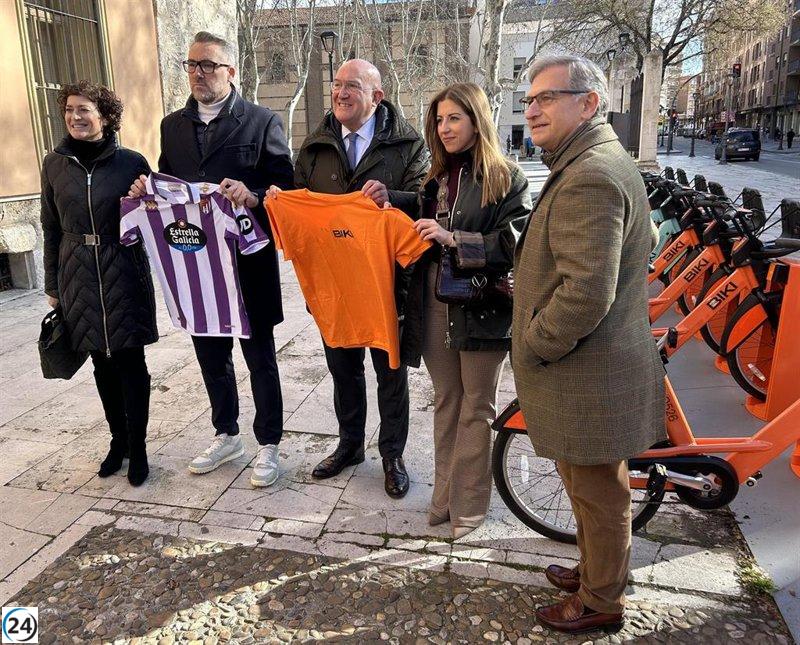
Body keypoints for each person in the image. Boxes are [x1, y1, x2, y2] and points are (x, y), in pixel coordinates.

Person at [512, 55, 665, 633]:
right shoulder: (593, 160)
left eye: (547, 98)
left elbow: (585, 293)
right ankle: (593, 570)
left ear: (589, 103)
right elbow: (642, 238)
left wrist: (537, 341)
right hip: (590, 367)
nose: (532, 110)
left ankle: (602, 602)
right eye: (529, 100)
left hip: (587, 371)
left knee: (600, 495)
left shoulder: (590, 173)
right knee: (586, 486)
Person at [129, 31, 294, 487]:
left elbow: (287, 187)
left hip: (247, 264)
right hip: (195, 264)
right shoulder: (172, 126)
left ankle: (269, 444)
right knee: (210, 354)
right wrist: (149, 188)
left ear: (230, 72)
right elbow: (167, 178)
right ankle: (227, 433)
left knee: (259, 357)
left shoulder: (261, 122)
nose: (198, 73)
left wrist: (254, 196)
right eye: (192, 65)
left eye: (208, 65)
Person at [268, 59, 428, 498]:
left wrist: (391, 198)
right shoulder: (315, 146)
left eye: (351, 87)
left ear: (376, 96)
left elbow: (426, 200)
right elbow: (298, 201)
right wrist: (280, 202)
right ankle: (350, 445)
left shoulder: (408, 144)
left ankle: (392, 454)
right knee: (343, 370)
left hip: (387, 282)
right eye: (336, 85)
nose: (339, 93)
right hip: (334, 284)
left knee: (390, 371)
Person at [401, 83, 531, 539]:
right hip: (435, 302)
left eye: (454, 118)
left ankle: (469, 507)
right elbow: (420, 218)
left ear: (477, 120)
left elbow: (518, 242)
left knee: (476, 407)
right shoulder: (435, 177)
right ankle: (443, 499)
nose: (444, 127)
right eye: (439, 120)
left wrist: (454, 239)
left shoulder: (507, 177)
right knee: (446, 403)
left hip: (484, 306)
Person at [41, 81, 158, 487]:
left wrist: (148, 194)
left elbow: (156, 216)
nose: (75, 116)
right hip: (77, 273)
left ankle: (140, 447)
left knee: (129, 361)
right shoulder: (54, 164)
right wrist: (52, 281)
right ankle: (118, 440)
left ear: (105, 117)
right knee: (100, 361)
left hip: (123, 267)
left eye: (84, 109)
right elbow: (50, 225)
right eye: (70, 109)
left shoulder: (131, 162)